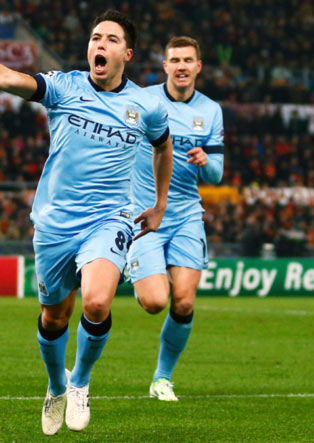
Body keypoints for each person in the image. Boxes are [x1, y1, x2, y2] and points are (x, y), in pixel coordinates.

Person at [0, 9, 173, 434]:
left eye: (109, 39)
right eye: (94, 37)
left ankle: (81, 382)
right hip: (54, 223)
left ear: (127, 52)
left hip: (109, 218)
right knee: (55, 317)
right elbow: (2, 76)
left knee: (96, 302)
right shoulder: (63, 87)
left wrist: (159, 204)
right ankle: (56, 386)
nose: (99, 45)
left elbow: (164, 148)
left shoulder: (147, 105)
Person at [128, 36, 224, 401]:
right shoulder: (144, 99)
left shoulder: (211, 111)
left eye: (188, 60)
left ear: (198, 67)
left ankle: (161, 379)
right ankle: (127, 264)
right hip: (145, 213)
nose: (181, 66)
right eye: (174, 60)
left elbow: (216, 174)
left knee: (183, 302)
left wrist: (206, 161)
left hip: (186, 215)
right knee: (155, 302)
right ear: (164, 66)